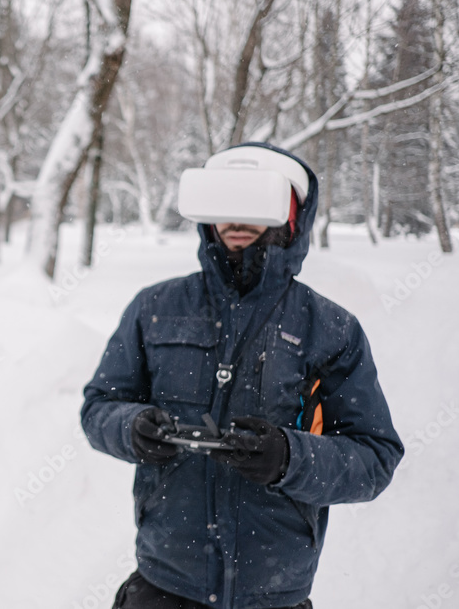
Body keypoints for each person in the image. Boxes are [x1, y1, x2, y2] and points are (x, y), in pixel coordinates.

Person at [81, 142, 403, 609]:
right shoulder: (154, 308)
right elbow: (99, 408)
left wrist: (288, 458)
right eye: (225, 202)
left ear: (293, 216)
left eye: (257, 203)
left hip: (273, 593)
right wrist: (131, 429)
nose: (236, 220)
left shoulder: (330, 328)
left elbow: (375, 459)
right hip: (163, 584)